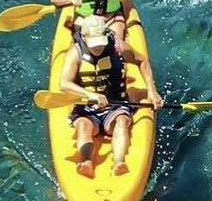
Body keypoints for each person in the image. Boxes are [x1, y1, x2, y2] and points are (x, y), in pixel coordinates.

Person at [58, 14, 162, 178]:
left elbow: (142, 61)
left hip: (115, 104)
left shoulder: (118, 46)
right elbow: (64, 83)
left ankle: (119, 162)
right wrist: (89, 94)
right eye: (93, 44)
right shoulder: (75, 53)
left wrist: (151, 90)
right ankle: (86, 162)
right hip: (86, 107)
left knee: (122, 122)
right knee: (84, 127)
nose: (98, 48)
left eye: (100, 43)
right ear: (84, 37)